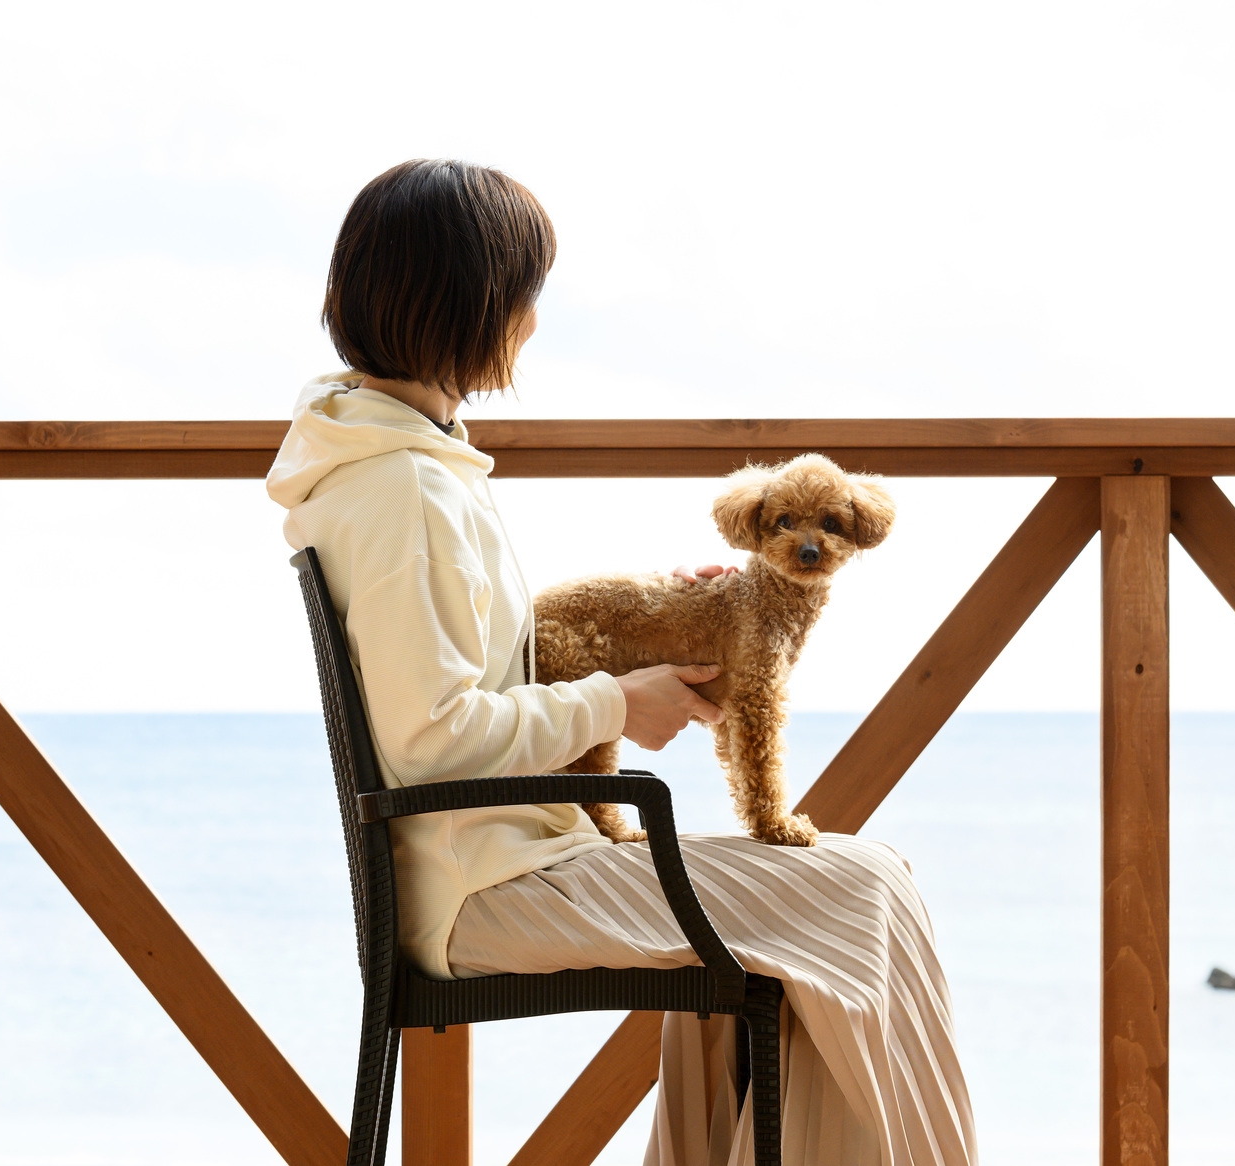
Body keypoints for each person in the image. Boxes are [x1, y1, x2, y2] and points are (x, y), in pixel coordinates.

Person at [266, 159, 977, 1166]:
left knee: (867, 877)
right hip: (488, 882)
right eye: (527, 294)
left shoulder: (400, 462)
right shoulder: (403, 490)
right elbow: (429, 736)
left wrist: (666, 619)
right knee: (861, 893)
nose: (534, 321)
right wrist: (619, 700)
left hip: (514, 848)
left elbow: (469, 655)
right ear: (472, 304)